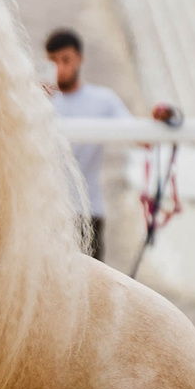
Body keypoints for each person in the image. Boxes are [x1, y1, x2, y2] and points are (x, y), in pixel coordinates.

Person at [46, 29, 129, 260]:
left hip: (88, 211)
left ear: (79, 59)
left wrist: (162, 118)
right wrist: (33, 101)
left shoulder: (102, 100)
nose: (61, 68)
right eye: (53, 61)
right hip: (47, 213)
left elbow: (137, 135)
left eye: (66, 60)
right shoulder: (38, 101)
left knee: (92, 290)